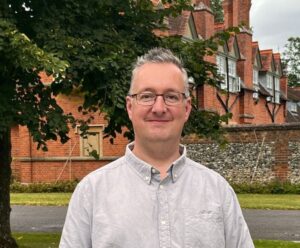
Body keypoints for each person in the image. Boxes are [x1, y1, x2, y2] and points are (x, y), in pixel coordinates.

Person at [59, 47, 254, 248]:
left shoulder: (218, 191)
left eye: (171, 96)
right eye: (146, 96)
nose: (159, 108)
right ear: (129, 107)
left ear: (186, 108)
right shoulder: (91, 193)